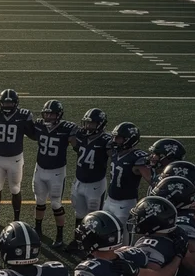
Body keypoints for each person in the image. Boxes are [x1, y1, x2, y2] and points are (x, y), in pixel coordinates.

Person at [26, 100, 78, 249]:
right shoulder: (40, 125)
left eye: (52, 113)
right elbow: (30, 132)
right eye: (46, 113)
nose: (48, 116)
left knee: (56, 203)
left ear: (59, 115)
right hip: (40, 169)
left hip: (57, 171)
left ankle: (59, 235)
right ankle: (38, 229)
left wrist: (74, 136)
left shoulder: (66, 128)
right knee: (39, 201)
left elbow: (75, 143)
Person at [0, 89, 35, 230]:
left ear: (16, 103)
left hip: (15, 159)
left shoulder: (23, 116)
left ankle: (16, 220)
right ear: (0, 103)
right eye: (5, 103)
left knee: (15, 189)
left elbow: (33, 134)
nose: (7, 106)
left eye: (10, 103)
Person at [69, 108, 111, 251]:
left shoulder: (106, 140)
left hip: (95, 184)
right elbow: (75, 145)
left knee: (94, 216)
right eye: (87, 123)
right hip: (79, 181)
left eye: (92, 124)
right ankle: (78, 240)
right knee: (79, 214)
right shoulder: (81, 134)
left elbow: (114, 154)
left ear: (100, 124)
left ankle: (93, 244)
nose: (88, 127)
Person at [103, 122, 151, 244]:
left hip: (126, 203)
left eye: (118, 138)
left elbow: (151, 179)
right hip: (109, 199)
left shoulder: (137, 158)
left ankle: (127, 261)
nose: (114, 140)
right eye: (114, 137)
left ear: (129, 140)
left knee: (124, 238)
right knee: (107, 232)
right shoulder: (115, 152)